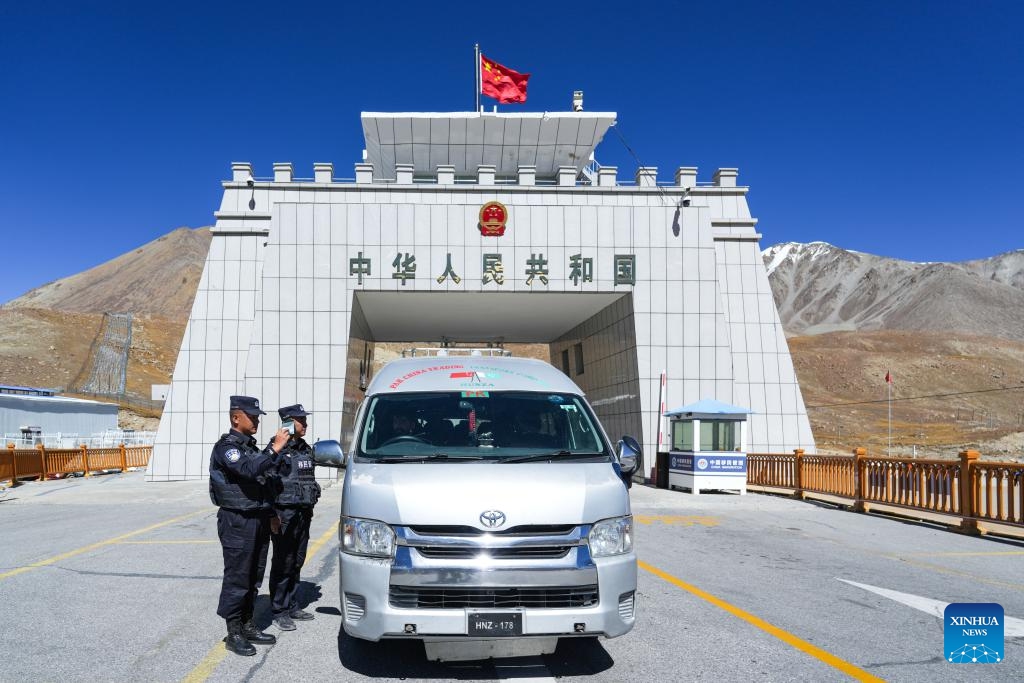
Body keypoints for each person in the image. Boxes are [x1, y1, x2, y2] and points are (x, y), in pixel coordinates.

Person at [209, 395, 290, 657]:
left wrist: (272, 514)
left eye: (257, 416)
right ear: (236, 418)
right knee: (238, 577)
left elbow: (263, 482)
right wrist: (273, 449)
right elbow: (246, 469)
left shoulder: (251, 448)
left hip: (257, 518)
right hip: (237, 521)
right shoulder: (227, 448)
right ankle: (233, 632)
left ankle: (247, 624)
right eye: (252, 416)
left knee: (254, 575)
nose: (256, 420)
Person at [268, 404, 321, 631]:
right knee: (283, 561)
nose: (306, 424)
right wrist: (272, 514)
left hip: (302, 513)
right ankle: (279, 610)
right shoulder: (277, 447)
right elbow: (267, 482)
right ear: (289, 422)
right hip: (284, 514)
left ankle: (291, 604)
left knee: (297, 559)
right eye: (301, 421)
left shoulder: (305, 449)